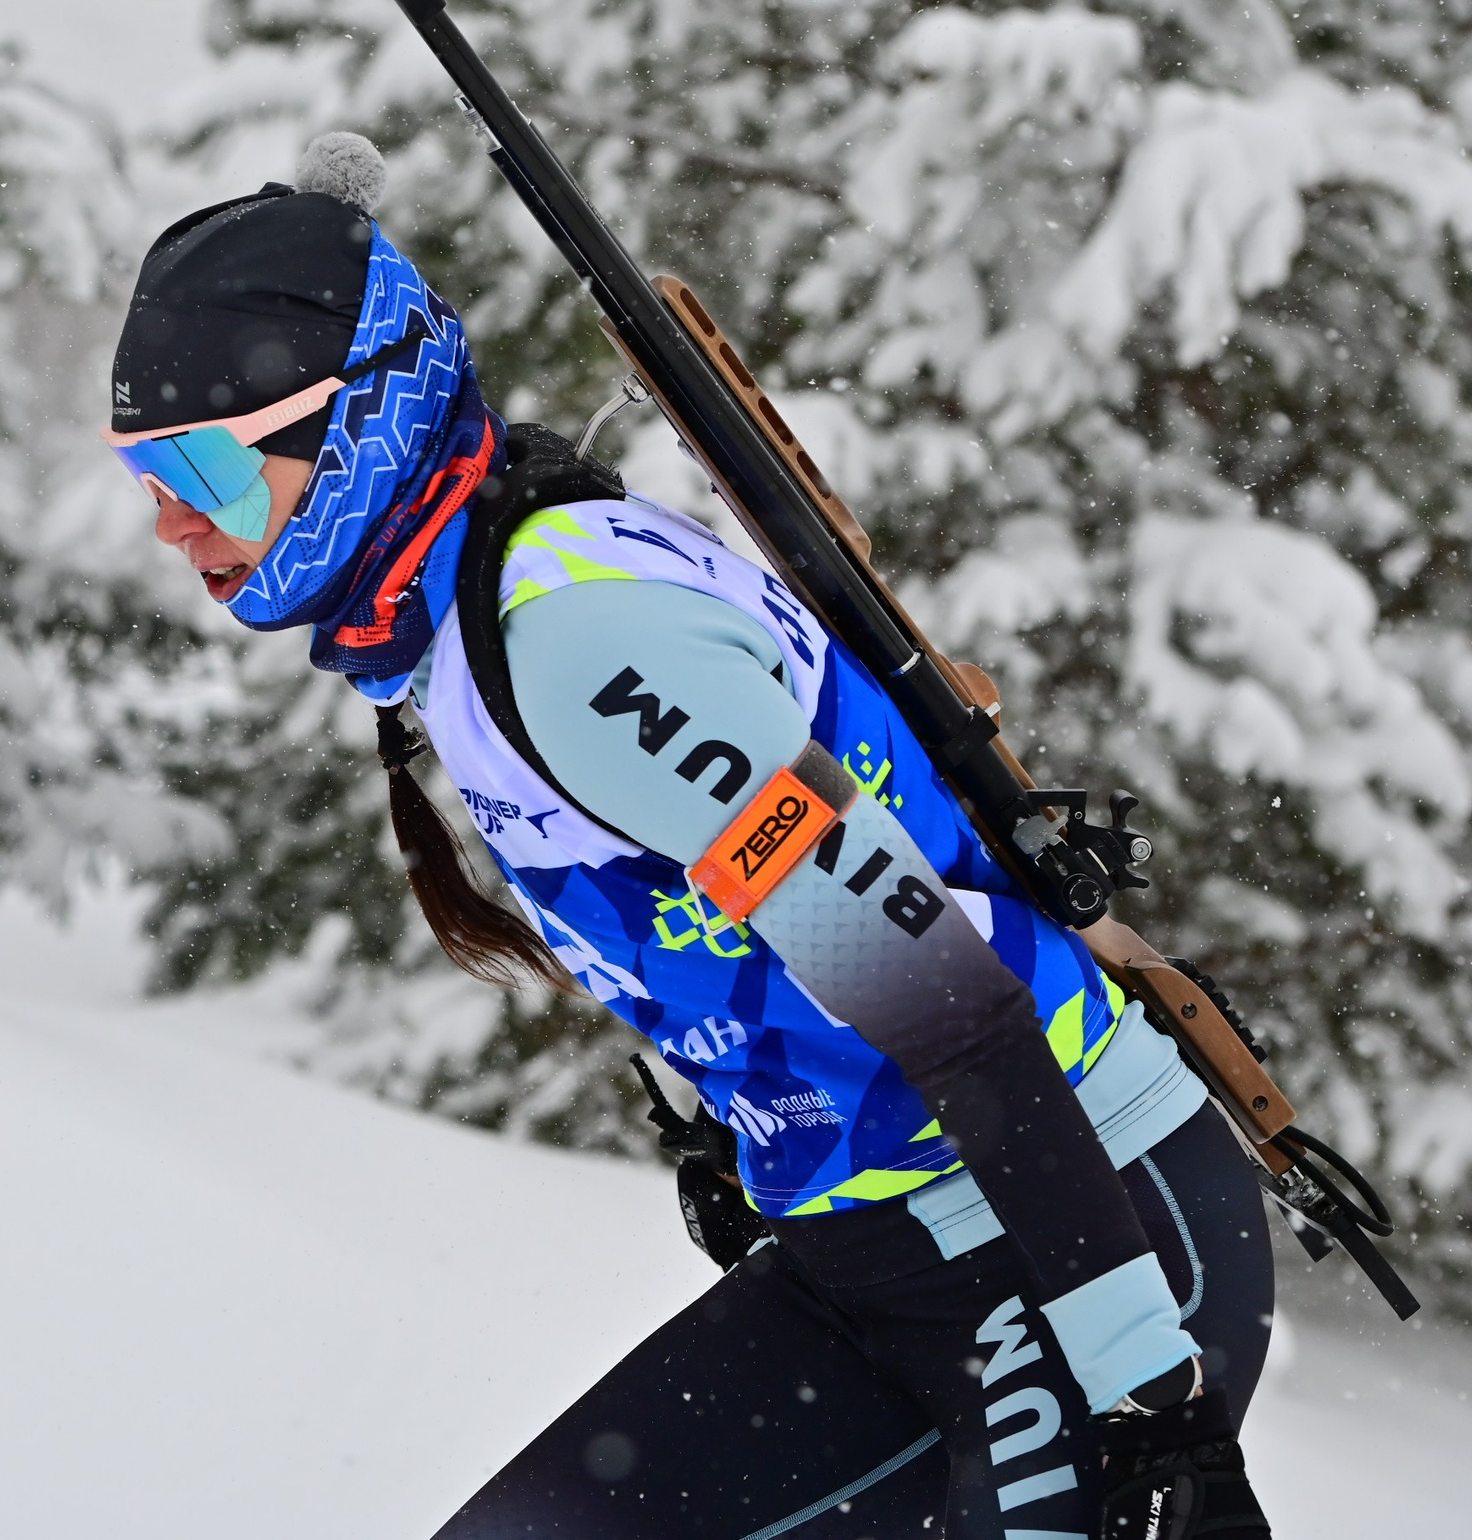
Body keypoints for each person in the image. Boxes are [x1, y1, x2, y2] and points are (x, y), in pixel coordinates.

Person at [104, 133, 1276, 1540]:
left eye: (208, 475)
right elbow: (699, 903)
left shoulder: (574, 638)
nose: (172, 524)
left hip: (1073, 1240)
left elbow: (950, 997)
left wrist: (1154, 1402)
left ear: (362, 423)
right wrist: (740, 1125)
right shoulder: (465, 620)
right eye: (145, 476)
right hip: (884, 1258)